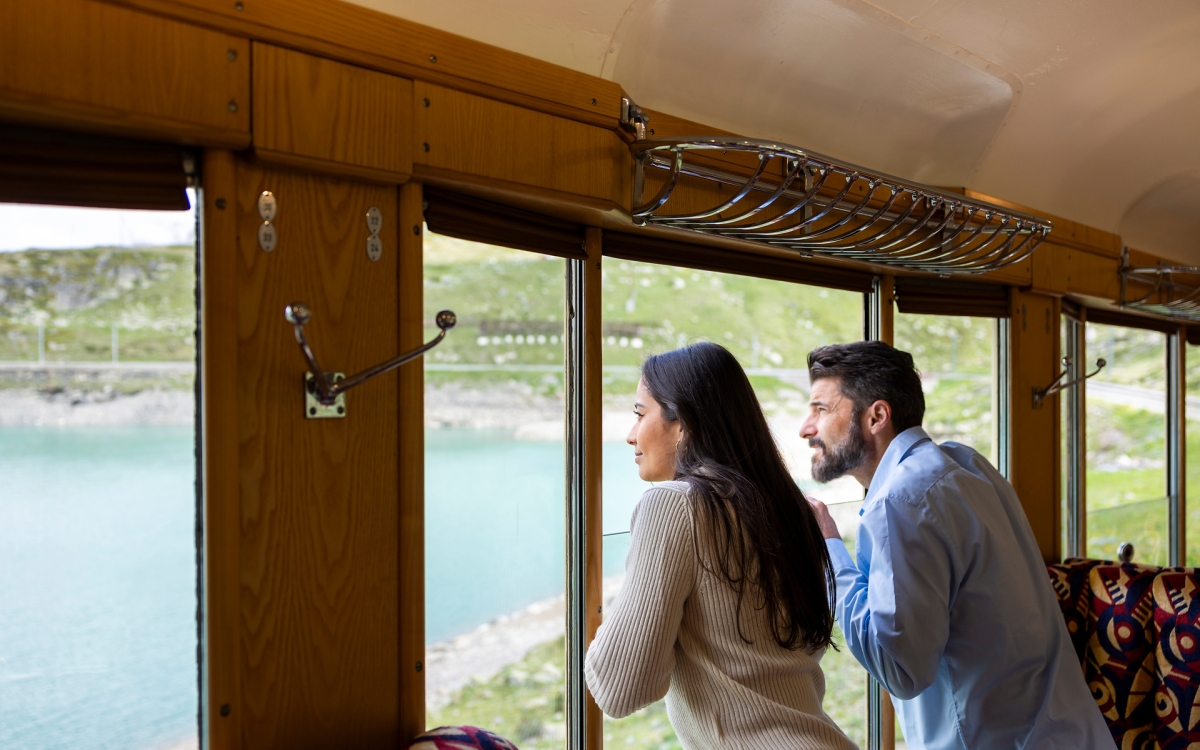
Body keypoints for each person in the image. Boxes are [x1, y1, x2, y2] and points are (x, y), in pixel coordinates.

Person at [801, 341, 1111, 749]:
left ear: (876, 416)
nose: (806, 428)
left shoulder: (900, 501)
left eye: (821, 409)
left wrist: (828, 548)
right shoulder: (968, 465)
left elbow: (899, 669)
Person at [585, 342, 858, 750]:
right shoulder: (788, 507)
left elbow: (620, 689)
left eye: (640, 414)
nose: (630, 435)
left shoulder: (672, 504)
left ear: (684, 424)